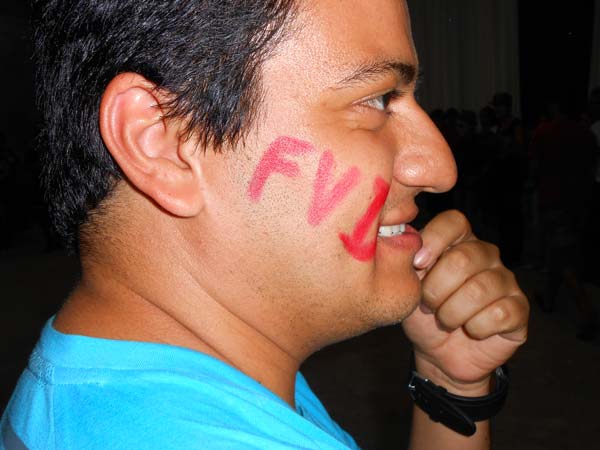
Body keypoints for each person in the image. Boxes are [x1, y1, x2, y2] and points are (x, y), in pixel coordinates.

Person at [1, 1, 529, 449]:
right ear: (163, 143)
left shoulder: (109, 383)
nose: (438, 167)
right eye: (376, 100)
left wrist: (449, 387)